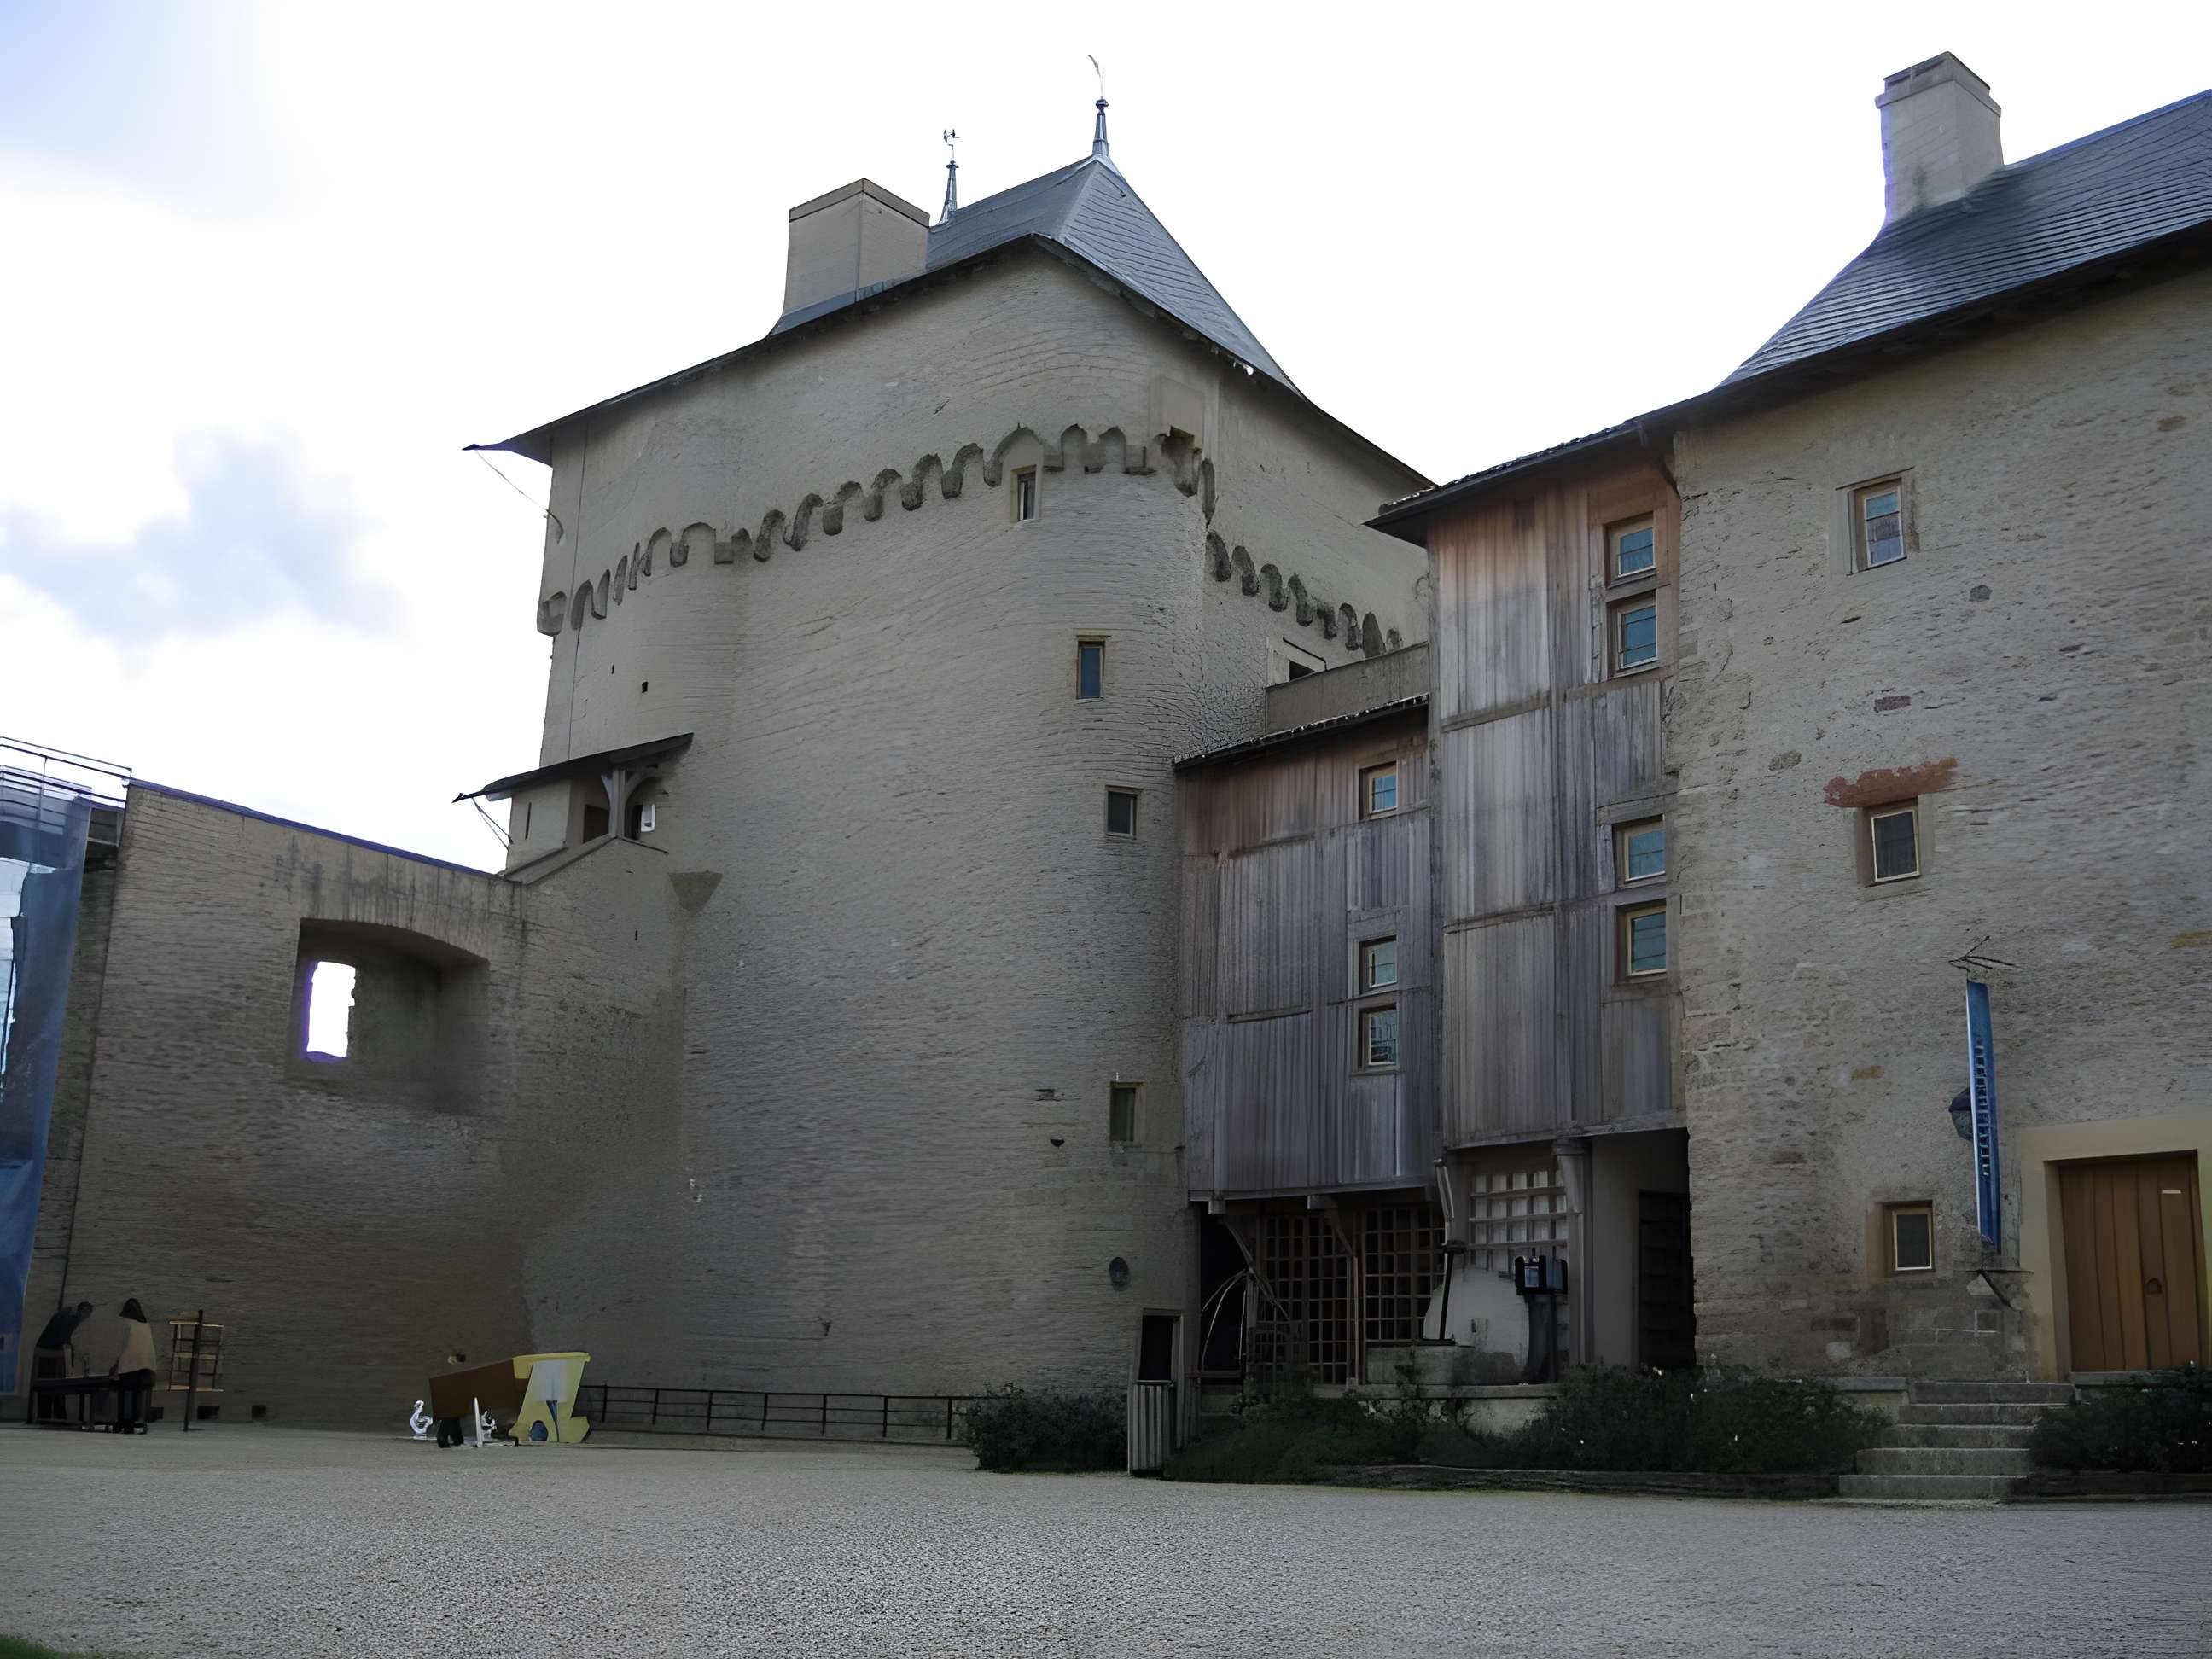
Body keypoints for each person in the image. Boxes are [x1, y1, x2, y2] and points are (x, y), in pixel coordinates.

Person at [31, 1300, 94, 1423]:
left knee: (49, 1387)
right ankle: (52, 1416)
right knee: (51, 1386)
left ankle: (47, 1415)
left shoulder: (68, 1315)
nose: (87, 1318)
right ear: (83, 1311)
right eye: (88, 1314)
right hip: (48, 1354)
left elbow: (64, 1337)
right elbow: (62, 1337)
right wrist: (69, 1353)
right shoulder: (72, 1318)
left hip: (48, 1352)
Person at [108, 1298, 158, 1433]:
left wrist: (115, 1365)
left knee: (124, 1395)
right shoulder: (145, 1325)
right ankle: (131, 1422)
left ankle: (123, 1423)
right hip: (146, 1365)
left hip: (129, 1365)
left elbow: (122, 1347)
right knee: (136, 1395)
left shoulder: (126, 1324)